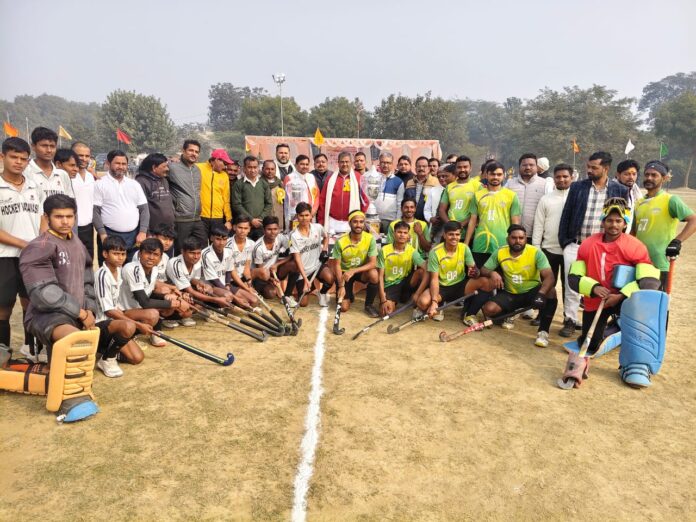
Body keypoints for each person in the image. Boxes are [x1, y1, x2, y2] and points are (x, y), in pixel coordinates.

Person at [20, 194, 138, 381]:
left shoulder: (77, 242)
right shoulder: (39, 247)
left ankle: (98, 358)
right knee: (77, 344)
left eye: (69, 216)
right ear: (46, 217)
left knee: (128, 353)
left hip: (78, 313)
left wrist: (89, 309)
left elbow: (87, 280)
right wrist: (81, 313)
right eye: (59, 216)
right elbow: (43, 293)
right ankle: (57, 383)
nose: (65, 221)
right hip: (47, 316)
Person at [564, 198, 662, 387]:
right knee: (591, 345)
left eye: (618, 221)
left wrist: (621, 295)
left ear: (625, 223)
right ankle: (617, 328)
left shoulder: (635, 246)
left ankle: (635, 364)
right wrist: (594, 288)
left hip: (626, 300)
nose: (614, 225)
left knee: (639, 336)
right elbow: (574, 278)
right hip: (597, 299)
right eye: (609, 220)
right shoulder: (588, 244)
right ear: (603, 221)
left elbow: (650, 281)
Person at [558, 151, 629, 337]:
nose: (589, 170)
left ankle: (596, 324)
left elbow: (624, 219)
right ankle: (570, 320)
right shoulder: (577, 187)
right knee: (572, 284)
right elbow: (566, 215)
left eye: (594, 167)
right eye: (588, 167)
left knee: (600, 286)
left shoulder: (619, 190)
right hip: (576, 245)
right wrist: (565, 243)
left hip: (603, 249)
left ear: (606, 168)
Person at [0, 137, 44, 361]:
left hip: (32, 257)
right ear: (2, 157)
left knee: (32, 304)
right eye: (14, 157)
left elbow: (43, 217)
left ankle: (32, 350)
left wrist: (41, 241)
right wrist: (25, 244)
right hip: (5, 257)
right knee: (3, 307)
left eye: (23, 159)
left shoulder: (34, 186)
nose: (18, 162)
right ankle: (3, 354)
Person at [479, 225, 558, 346]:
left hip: (531, 291)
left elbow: (549, 276)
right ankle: (511, 313)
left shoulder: (535, 252)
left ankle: (543, 332)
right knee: (489, 310)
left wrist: (541, 294)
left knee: (551, 292)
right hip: (510, 293)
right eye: (514, 238)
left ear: (526, 239)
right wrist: (492, 273)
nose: (518, 241)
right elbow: (483, 270)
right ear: (507, 239)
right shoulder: (500, 252)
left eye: (521, 238)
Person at [95, 235, 160, 360]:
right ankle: (107, 359)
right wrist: (138, 325)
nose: (120, 258)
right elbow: (108, 311)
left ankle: (108, 347)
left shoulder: (119, 270)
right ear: (105, 254)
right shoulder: (102, 275)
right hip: (102, 322)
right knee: (129, 326)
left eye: (123, 254)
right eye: (115, 254)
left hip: (116, 316)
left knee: (137, 358)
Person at [634, 160, 696, 288]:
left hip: (660, 264)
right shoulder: (639, 202)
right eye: (647, 174)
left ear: (664, 178)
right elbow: (633, 232)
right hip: (639, 262)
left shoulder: (670, 200)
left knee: (659, 300)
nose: (649, 178)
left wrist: (677, 242)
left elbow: (693, 220)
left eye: (654, 175)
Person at [120, 238, 194, 336]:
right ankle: (133, 334)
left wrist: (171, 297)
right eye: (148, 253)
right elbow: (145, 302)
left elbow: (149, 292)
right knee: (153, 314)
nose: (151, 257)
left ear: (160, 257)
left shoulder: (154, 270)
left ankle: (155, 328)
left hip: (139, 309)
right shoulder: (132, 269)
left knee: (183, 309)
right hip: (123, 311)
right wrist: (177, 303)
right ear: (140, 254)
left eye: (155, 254)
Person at [532, 164, 572, 326]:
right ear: (553, 179)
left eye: (565, 176)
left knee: (570, 286)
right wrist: (536, 248)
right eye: (558, 177)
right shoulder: (546, 199)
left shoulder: (576, 198)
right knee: (548, 285)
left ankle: (569, 319)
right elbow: (539, 225)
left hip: (570, 250)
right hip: (548, 250)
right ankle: (542, 315)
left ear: (572, 178)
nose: (561, 179)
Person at [415, 221, 480, 321]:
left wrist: (475, 272)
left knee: (486, 283)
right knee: (423, 302)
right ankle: (439, 304)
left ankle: (469, 313)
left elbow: (474, 270)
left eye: (457, 234)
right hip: (442, 287)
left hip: (460, 284)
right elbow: (434, 279)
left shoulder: (464, 248)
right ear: (444, 235)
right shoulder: (435, 252)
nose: (454, 237)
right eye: (451, 234)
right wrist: (434, 302)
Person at [93, 150, 149, 264]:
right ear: (108, 164)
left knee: (132, 270)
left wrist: (143, 232)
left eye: (124, 164)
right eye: (117, 163)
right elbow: (95, 211)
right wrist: (103, 234)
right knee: (110, 270)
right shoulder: (99, 184)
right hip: (109, 235)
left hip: (134, 237)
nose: (121, 167)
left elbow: (144, 209)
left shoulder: (134, 184)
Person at [464, 161, 522, 268]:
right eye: (492, 174)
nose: (495, 177)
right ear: (486, 175)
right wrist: (466, 244)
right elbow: (472, 221)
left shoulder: (511, 196)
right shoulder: (477, 195)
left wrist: (514, 244)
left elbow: (515, 223)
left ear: (504, 175)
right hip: (481, 244)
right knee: (480, 275)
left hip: (503, 244)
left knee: (501, 277)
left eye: (499, 174)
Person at [331, 210, 380, 317]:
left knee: (374, 274)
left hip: (360, 271)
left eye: (361, 222)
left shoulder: (370, 238)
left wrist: (354, 270)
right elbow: (337, 265)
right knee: (343, 308)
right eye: (355, 222)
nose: (358, 225)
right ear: (350, 223)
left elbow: (373, 263)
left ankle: (369, 305)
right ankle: (348, 294)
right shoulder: (340, 241)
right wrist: (341, 286)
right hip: (345, 274)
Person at [377, 220, 427, 317]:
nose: (402, 235)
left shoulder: (411, 250)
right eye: (399, 232)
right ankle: (394, 301)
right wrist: (382, 298)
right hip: (390, 284)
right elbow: (380, 276)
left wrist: (418, 293)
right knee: (385, 313)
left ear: (408, 236)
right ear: (394, 234)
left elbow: (426, 268)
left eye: (405, 233)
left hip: (406, 282)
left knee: (422, 271)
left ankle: (417, 297)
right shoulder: (384, 250)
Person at [288, 202, 333, 307]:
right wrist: (305, 279)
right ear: (297, 216)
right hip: (304, 271)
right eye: (301, 215)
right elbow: (297, 259)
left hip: (317, 265)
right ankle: (310, 287)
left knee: (330, 278)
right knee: (303, 303)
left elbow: (326, 236)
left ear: (311, 216)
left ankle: (322, 293)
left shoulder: (317, 227)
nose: (304, 218)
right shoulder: (293, 235)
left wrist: (324, 250)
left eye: (307, 215)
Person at [166, 236, 231, 310]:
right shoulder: (175, 264)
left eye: (198, 253)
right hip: (173, 292)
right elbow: (190, 291)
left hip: (186, 288)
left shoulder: (197, 261)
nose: (196, 257)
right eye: (192, 253)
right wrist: (216, 299)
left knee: (215, 291)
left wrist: (200, 284)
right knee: (197, 304)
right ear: (183, 252)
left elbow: (192, 279)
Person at [201, 224, 257, 308]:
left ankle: (230, 301)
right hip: (212, 286)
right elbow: (214, 281)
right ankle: (218, 303)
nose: (221, 243)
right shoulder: (205, 254)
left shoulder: (228, 251)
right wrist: (236, 298)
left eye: (224, 239)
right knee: (228, 296)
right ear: (211, 238)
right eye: (218, 239)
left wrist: (227, 284)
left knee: (254, 301)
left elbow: (228, 270)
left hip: (225, 285)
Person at [317, 151, 369, 237]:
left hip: (352, 223)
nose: (344, 164)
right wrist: (321, 221)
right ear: (338, 163)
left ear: (351, 163)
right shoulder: (330, 179)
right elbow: (322, 201)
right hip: (332, 223)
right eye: (342, 162)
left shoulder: (358, 178)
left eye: (347, 162)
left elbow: (365, 200)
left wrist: (360, 218)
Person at [168, 140, 206, 253]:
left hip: (197, 218)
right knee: (181, 251)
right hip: (181, 219)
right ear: (183, 151)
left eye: (196, 152)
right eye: (191, 150)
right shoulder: (172, 168)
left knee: (203, 247)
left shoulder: (197, 170)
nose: (194, 154)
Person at [505, 153, 547, 240]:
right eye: (524, 165)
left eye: (531, 165)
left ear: (537, 167)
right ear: (519, 167)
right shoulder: (509, 184)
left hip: (535, 236)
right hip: (513, 235)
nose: (528, 167)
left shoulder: (545, 184)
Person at [24, 127, 74, 199]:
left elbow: (69, 200)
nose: (49, 150)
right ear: (33, 146)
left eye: (52, 146)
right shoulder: (25, 172)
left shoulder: (62, 175)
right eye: (44, 146)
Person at [250, 216, 293, 299]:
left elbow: (293, 253)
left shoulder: (280, 237)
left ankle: (288, 294)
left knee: (293, 264)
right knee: (271, 293)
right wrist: (272, 280)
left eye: (275, 229)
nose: (272, 232)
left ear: (278, 229)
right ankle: (261, 288)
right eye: (269, 229)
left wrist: (277, 264)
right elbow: (261, 271)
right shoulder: (258, 247)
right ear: (264, 230)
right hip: (262, 277)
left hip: (274, 271)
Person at [232, 156, 272, 241]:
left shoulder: (264, 184)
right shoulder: (238, 184)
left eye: (255, 167)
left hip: (260, 225)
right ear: (244, 169)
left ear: (258, 168)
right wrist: (251, 219)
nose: (253, 170)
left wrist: (260, 219)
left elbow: (269, 204)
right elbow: (236, 205)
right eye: (249, 167)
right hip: (244, 225)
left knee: (259, 246)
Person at [438, 155, 478, 237]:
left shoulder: (478, 186)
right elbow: (441, 210)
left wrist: (463, 224)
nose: (462, 169)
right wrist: (450, 225)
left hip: (469, 234)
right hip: (450, 233)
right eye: (459, 167)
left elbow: (479, 212)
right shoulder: (449, 187)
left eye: (465, 167)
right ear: (455, 169)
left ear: (470, 168)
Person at [135, 153, 176, 234]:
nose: (167, 169)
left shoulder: (164, 180)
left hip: (168, 229)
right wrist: (146, 232)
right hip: (153, 232)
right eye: (164, 166)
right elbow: (142, 209)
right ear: (154, 167)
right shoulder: (141, 182)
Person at [198, 149, 233, 236]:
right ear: (217, 160)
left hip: (217, 218)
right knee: (201, 242)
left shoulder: (224, 176)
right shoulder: (199, 168)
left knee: (217, 242)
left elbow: (226, 199)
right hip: (200, 216)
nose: (225, 167)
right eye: (225, 163)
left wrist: (229, 220)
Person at [70, 142, 96, 259]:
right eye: (80, 155)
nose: (84, 159)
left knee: (88, 260)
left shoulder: (90, 176)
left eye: (87, 156)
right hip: (71, 227)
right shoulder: (66, 176)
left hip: (88, 227)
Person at [226, 215, 259, 306]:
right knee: (252, 301)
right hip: (229, 280)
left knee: (254, 300)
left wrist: (249, 283)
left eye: (245, 228)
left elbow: (246, 267)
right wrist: (246, 288)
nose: (242, 231)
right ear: (234, 227)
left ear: (249, 229)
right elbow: (232, 272)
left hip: (241, 278)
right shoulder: (227, 244)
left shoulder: (251, 244)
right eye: (240, 227)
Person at [283, 154, 320, 227]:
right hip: (296, 215)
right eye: (302, 164)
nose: (305, 166)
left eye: (307, 164)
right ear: (296, 165)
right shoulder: (289, 178)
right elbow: (288, 200)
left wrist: (314, 210)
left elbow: (317, 195)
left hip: (310, 214)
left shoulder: (311, 177)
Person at [374, 151, 405, 232]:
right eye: (383, 162)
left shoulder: (398, 182)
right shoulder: (373, 179)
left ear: (392, 164)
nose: (385, 165)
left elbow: (400, 203)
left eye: (388, 163)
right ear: (379, 163)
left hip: (391, 221)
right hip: (374, 219)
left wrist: (397, 221)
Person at [424, 164, 455, 244]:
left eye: (444, 176)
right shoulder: (433, 190)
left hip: (453, 226)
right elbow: (427, 209)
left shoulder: (456, 189)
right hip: (436, 226)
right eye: (439, 177)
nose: (441, 178)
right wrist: (431, 218)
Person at [405, 156, 438, 220]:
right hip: (411, 218)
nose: (421, 168)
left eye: (424, 166)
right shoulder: (409, 182)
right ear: (415, 169)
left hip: (429, 219)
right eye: (419, 166)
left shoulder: (435, 182)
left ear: (428, 168)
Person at [615, 159, 643, 230]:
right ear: (618, 175)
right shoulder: (612, 190)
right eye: (627, 174)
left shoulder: (633, 191)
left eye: (634, 174)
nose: (631, 177)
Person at [261, 158, 287, 230]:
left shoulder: (280, 183)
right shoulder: (259, 183)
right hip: (265, 219)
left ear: (275, 170)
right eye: (267, 169)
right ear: (263, 169)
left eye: (272, 169)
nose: (270, 171)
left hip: (279, 218)